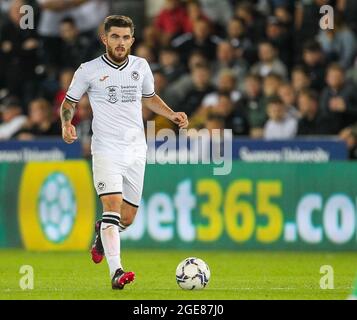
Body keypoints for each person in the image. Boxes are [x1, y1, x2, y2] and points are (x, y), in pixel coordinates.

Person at [60, 15, 188, 290]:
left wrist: (172, 113)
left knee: (126, 219)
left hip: (136, 149)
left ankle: (102, 234)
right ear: (104, 38)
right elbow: (69, 102)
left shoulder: (140, 66)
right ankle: (116, 272)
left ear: (132, 40)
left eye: (125, 37)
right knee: (112, 205)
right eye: (115, 37)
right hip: (106, 148)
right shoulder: (88, 70)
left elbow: (149, 97)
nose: (120, 42)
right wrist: (66, 122)